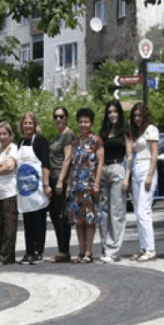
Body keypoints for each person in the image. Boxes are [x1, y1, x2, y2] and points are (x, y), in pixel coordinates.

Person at [62, 107, 104, 263]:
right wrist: (68, 186)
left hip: (90, 185)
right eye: (81, 122)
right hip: (75, 186)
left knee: (90, 220)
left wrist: (97, 183)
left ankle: (89, 251)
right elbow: (72, 165)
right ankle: (80, 251)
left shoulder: (96, 141)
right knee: (79, 221)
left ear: (91, 124)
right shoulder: (75, 143)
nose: (83, 125)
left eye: (86, 122)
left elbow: (100, 164)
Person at [97, 101, 132, 263]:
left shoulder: (125, 130)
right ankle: (106, 247)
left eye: (115, 111)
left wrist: (127, 177)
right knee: (103, 212)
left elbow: (130, 156)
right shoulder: (103, 132)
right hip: (104, 171)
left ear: (119, 113)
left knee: (117, 212)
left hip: (118, 169)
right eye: (110, 112)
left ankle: (114, 250)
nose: (112, 115)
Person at [16, 112, 51, 264]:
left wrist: (46, 184)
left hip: (37, 189)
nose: (28, 126)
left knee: (38, 220)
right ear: (21, 126)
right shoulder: (20, 143)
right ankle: (28, 251)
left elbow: (46, 164)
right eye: (25, 123)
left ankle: (38, 251)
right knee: (27, 222)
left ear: (35, 125)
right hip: (24, 191)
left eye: (31, 123)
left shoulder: (40, 141)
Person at [128, 103, 159, 262]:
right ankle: (143, 247)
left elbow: (154, 152)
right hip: (136, 169)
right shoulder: (137, 132)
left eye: (140, 115)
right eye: (135, 116)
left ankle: (151, 249)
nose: (137, 118)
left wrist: (150, 175)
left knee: (143, 211)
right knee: (138, 212)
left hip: (147, 167)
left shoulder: (151, 129)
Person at [0, 121, 19, 265]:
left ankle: (7, 256)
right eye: (0, 134)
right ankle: (2, 254)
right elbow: (2, 164)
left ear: (10, 135)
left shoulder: (12, 148)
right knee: (1, 226)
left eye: (5, 134)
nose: (2, 136)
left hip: (9, 193)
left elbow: (10, 166)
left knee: (9, 226)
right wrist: (1, 165)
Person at [49, 108, 76, 263]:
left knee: (62, 217)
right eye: (56, 116)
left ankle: (65, 250)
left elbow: (68, 158)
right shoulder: (57, 136)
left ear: (66, 118)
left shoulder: (68, 135)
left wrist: (61, 180)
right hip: (53, 179)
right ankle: (62, 249)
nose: (58, 119)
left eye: (61, 116)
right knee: (55, 216)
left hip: (61, 178)